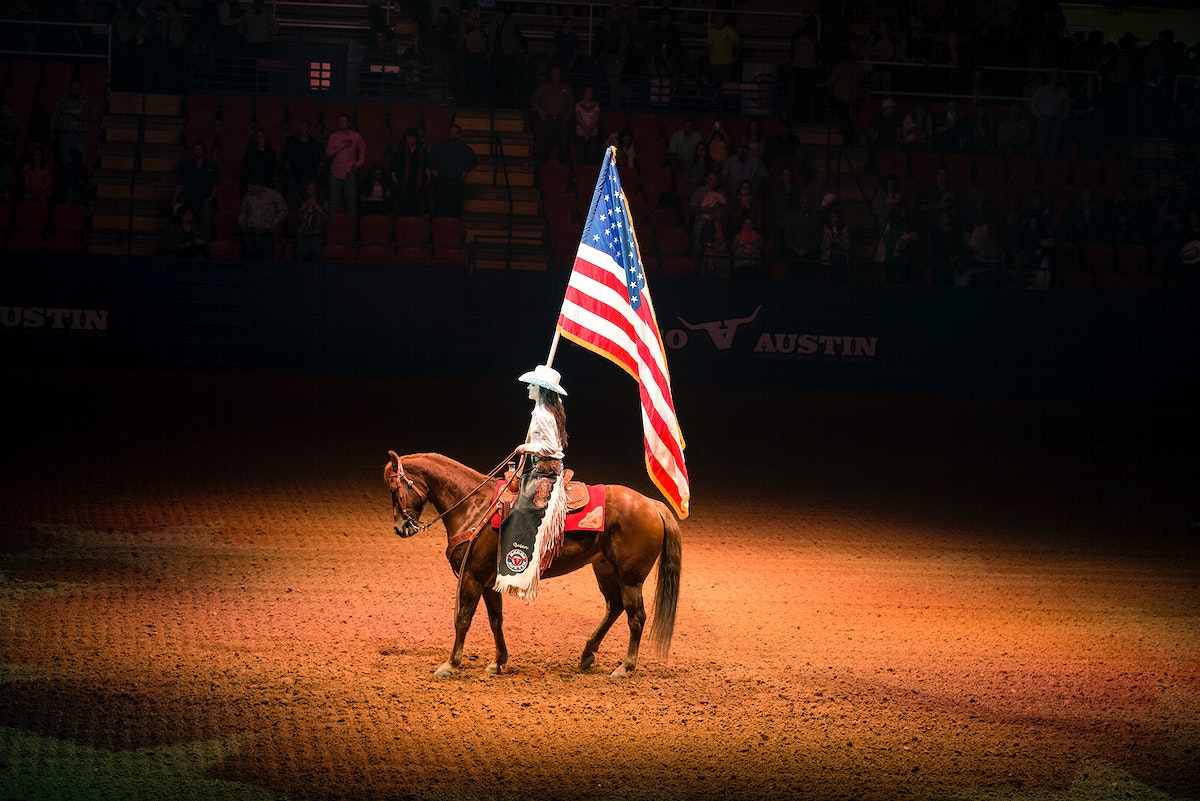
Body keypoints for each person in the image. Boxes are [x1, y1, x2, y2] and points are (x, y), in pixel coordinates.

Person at [494, 364, 569, 601]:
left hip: (546, 471)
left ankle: (521, 565)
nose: (528, 387)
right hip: (540, 468)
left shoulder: (544, 415)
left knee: (523, 510)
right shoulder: (544, 410)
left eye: (533, 385)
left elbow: (551, 448)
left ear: (542, 389)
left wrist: (526, 447)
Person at [428, 123, 478, 218]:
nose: (454, 135)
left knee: (455, 209)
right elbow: (430, 158)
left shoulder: (465, 149)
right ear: (449, 134)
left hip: (457, 182)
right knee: (440, 209)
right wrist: (433, 169)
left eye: (456, 133)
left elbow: (474, 160)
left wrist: (466, 170)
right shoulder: (441, 147)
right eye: (452, 132)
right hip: (442, 182)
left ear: (459, 134)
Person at [174, 139, 220, 238]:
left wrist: (211, 198)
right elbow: (180, 183)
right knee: (189, 223)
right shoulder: (186, 166)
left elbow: (216, 184)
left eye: (200, 149)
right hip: (189, 200)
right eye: (196, 149)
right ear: (192, 150)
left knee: (205, 225)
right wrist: (174, 199)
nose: (198, 151)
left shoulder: (210, 166)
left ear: (204, 150)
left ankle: (203, 247)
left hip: (205, 200)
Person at [531, 65, 574, 166]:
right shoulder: (544, 88)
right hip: (548, 121)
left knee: (563, 150)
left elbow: (571, 105)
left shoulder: (566, 88)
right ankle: (538, 177)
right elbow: (533, 100)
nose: (556, 76)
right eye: (554, 74)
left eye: (558, 74)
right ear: (551, 75)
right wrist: (540, 111)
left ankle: (566, 177)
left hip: (561, 121)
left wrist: (566, 117)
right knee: (543, 150)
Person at [49, 79, 97, 165]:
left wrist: (82, 117)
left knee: (80, 160)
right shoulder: (62, 100)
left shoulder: (87, 101)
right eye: (73, 89)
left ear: (81, 89)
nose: (75, 91)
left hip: (81, 135)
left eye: (77, 89)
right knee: (65, 160)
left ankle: (79, 178)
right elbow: (55, 117)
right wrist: (52, 132)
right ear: (69, 88)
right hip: (65, 134)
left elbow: (94, 116)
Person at [326, 113, 365, 216]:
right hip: (335, 172)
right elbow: (328, 153)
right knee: (333, 203)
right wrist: (342, 145)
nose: (342, 123)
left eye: (344, 121)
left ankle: (352, 229)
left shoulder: (356, 136)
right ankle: (332, 228)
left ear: (349, 123)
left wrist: (358, 163)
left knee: (351, 203)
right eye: (340, 121)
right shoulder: (333, 136)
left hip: (349, 172)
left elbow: (362, 149)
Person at [238, 180, 287, 261]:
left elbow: (283, 209)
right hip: (251, 231)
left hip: (266, 231)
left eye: (250, 187)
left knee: (266, 258)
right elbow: (244, 211)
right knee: (251, 258)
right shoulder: (248, 196)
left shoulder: (273, 195)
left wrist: (275, 221)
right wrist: (241, 221)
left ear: (257, 185)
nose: (249, 189)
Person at [281, 119, 322, 210]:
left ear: (309, 129)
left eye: (304, 127)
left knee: (307, 204)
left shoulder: (314, 144)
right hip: (294, 176)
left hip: (308, 177)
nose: (301, 129)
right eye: (300, 126)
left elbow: (316, 161)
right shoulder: (291, 141)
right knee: (292, 203)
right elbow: (285, 157)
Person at [390, 127, 428, 216]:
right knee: (404, 207)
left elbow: (426, 167)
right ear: (406, 139)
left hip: (417, 183)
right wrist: (394, 177)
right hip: (403, 183)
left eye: (413, 137)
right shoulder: (400, 151)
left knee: (416, 207)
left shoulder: (422, 151)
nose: (411, 140)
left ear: (417, 138)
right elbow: (394, 167)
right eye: (409, 138)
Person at [294, 178, 326, 262]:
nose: (310, 191)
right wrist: (301, 209)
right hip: (303, 235)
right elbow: (297, 219)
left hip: (316, 235)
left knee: (315, 259)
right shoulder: (302, 201)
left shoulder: (322, 202)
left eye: (312, 189)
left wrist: (319, 209)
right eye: (308, 189)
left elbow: (326, 220)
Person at [574, 86, 602, 166]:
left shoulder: (596, 106)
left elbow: (596, 119)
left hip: (593, 134)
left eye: (591, 92)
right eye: (588, 91)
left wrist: (589, 131)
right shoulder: (578, 105)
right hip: (580, 134)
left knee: (592, 156)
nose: (589, 94)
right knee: (581, 156)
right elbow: (578, 118)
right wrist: (586, 130)